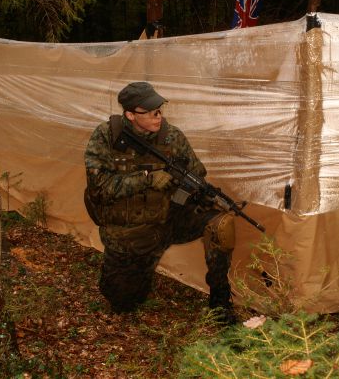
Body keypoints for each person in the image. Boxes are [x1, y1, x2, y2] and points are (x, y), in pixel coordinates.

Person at [84, 81, 237, 324]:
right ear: (131, 115)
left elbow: (198, 171)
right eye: (152, 112)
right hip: (129, 232)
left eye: (160, 110)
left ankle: (220, 303)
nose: (159, 116)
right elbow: (100, 188)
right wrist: (146, 179)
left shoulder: (171, 136)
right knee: (123, 302)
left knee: (221, 224)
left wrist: (183, 182)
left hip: (168, 219)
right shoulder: (106, 137)